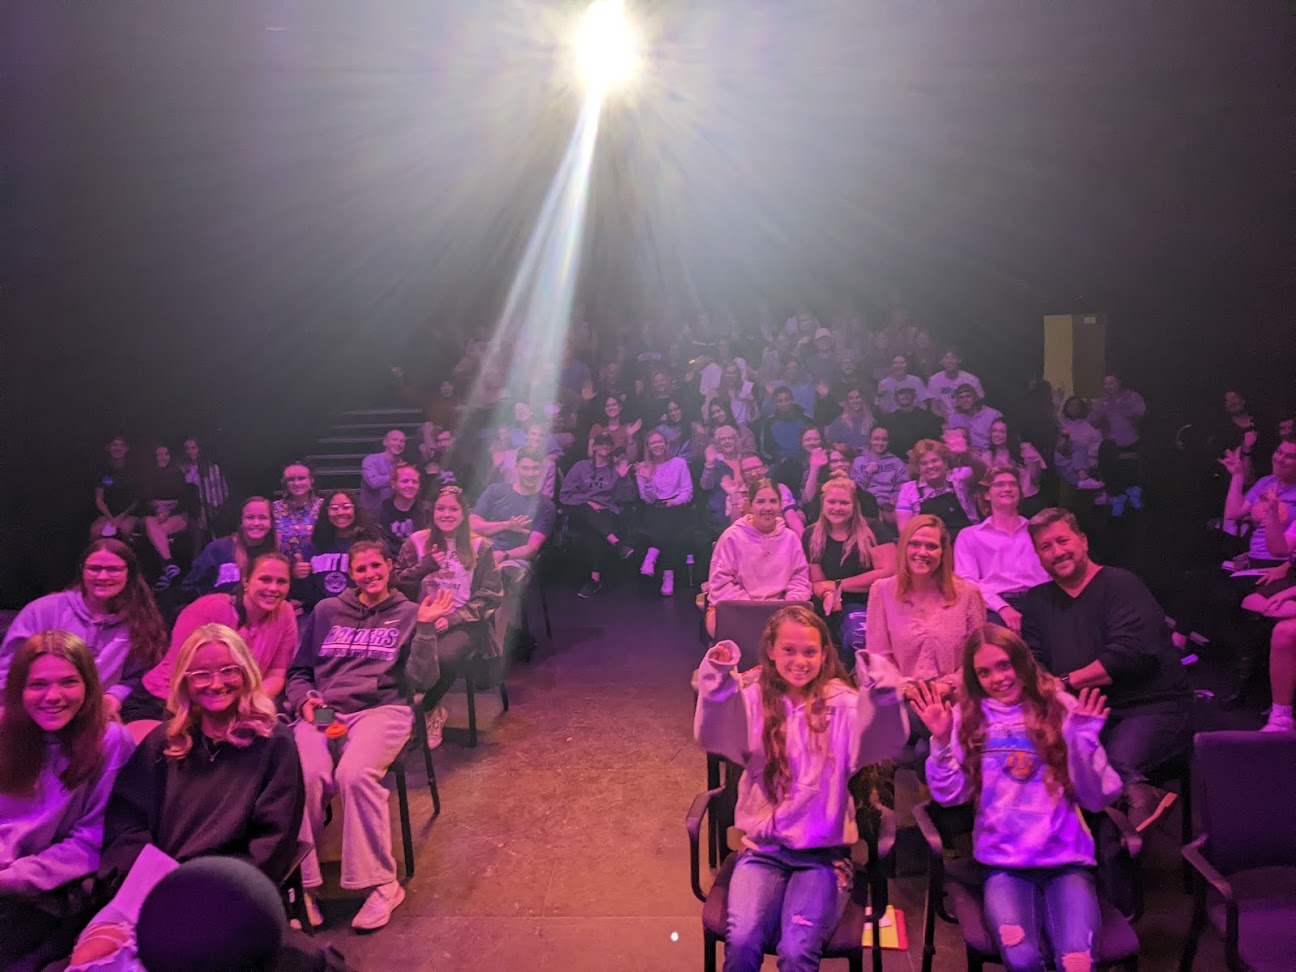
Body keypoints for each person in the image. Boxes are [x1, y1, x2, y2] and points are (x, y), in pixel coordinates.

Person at [68, 624, 305, 968]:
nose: (216, 683)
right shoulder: (164, 742)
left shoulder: (274, 743)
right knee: (92, 956)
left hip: (222, 889)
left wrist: (201, 890)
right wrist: (147, 877)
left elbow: (272, 840)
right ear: (185, 682)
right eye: (202, 675)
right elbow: (127, 822)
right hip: (150, 885)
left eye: (228, 670)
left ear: (246, 673)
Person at [693, 605, 909, 972]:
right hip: (763, 850)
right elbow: (714, 734)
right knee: (742, 941)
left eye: (809, 651)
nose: (799, 661)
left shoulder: (844, 705)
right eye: (789, 650)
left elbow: (884, 740)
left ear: (824, 654)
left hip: (823, 857)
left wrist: (884, 692)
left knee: (796, 951)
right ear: (771, 650)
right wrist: (717, 678)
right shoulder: (753, 699)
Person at [916, 625, 1122, 972]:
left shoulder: (1061, 707)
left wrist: (1084, 745)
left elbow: (1098, 798)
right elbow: (949, 796)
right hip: (1003, 865)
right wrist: (940, 743)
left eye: (1004, 665)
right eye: (984, 671)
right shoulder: (968, 718)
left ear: (1022, 663)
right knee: (1022, 959)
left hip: (1066, 861)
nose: (998, 678)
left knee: (1076, 963)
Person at [287, 542, 451, 931]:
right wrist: (304, 702)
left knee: (354, 775)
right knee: (305, 776)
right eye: (361, 569)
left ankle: (383, 884)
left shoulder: (411, 613)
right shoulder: (327, 611)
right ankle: (301, 885)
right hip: (326, 709)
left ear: (390, 567)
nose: (369, 574)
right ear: (350, 572)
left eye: (376, 566)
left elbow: (423, 681)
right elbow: (299, 673)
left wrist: (425, 628)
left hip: (383, 709)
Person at [1021, 508, 1193, 831]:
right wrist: (1053, 689)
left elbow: (1129, 654)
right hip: (1079, 712)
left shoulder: (1121, 584)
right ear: (1039, 557)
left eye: (1062, 540)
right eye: (1046, 547)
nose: (1057, 552)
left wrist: (1063, 683)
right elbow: (1033, 659)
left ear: (1083, 541)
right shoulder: (1037, 600)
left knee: (1108, 765)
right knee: (1033, 762)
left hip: (1150, 709)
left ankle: (1118, 854)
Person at [0, 632, 135, 970]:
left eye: (68, 682)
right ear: (19, 689)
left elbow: (91, 841)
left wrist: (13, 877)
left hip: (47, 893)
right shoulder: (6, 731)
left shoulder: (111, 741)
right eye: (38, 685)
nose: (53, 696)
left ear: (89, 685)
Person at [120, 552, 297, 737]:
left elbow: (276, 675)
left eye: (282, 582)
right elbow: (182, 675)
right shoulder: (209, 609)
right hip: (165, 700)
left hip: (226, 704)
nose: (273, 588)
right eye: (265, 579)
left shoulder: (285, 614)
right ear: (245, 581)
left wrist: (247, 705)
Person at [1, 538, 168, 716]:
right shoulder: (43, 610)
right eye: (94, 568)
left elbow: (139, 677)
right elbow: (8, 669)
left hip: (95, 716)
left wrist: (115, 697)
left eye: (113, 569)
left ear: (129, 573)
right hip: (40, 708)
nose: (103, 577)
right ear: (82, 570)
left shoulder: (141, 620)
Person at [393, 486, 504, 747]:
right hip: (419, 617)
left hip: (464, 620)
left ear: (464, 513)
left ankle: (424, 711)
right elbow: (397, 583)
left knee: (444, 656)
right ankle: (415, 710)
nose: (446, 514)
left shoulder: (481, 546)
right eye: (441, 508)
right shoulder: (416, 542)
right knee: (398, 652)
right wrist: (425, 567)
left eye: (453, 508)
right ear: (432, 512)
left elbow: (491, 595)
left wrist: (452, 618)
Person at [866, 514, 987, 695]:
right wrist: (906, 689)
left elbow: (978, 657)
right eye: (914, 544)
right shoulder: (881, 591)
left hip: (956, 697)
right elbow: (878, 658)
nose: (922, 552)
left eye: (931, 546)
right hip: (901, 699)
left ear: (943, 552)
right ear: (903, 547)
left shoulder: (969, 595)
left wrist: (947, 687)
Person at [470, 447, 558, 651]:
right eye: (526, 468)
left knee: (505, 575)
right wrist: (506, 525)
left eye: (535, 469)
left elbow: (532, 548)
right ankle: (470, 641)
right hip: (481, 553)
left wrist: (504, 555)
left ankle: (495, 648)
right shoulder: (495, 491)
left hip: (514, 559)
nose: (530, 473)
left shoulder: (545, 505)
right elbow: (473, 524)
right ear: (517, 468)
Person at [804, 472, 896, 666]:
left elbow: (888, 572)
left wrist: (838, 585)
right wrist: (830, 593)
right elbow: (818, 582)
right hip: (831, 604)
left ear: (854, 506)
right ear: (823, 503)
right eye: (832, 502)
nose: (837, 508)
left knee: (858, 635)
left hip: (872, 602)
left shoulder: (874, 530)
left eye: (844, 503)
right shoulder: (811, 534)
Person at [705, 479, 813, 637]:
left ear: (780, 504)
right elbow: (720, 585)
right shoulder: (731, 537)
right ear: (751, 505)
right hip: (737, 607)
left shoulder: (790, 538)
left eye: (773, 501)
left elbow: (799, 579)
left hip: (781, 609)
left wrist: (790, 604)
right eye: (761, 501)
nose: (767, 507)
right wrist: (754, 608)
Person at [954, 467, 1051, 633]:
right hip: (995, 603)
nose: (1007, 489)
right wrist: (1002, 607)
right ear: (986, 494)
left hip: (1041, 599)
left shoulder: (1037, 530)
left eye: (1013, 484)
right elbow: (967, 582)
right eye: (999, 484)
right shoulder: (970, 535)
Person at [560, 433, 637, 599]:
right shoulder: (580, 467)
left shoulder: (614, 470)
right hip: (581, 512)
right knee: (584, 509)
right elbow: (565, 494)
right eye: (601, 443)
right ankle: (617, 543)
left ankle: (595, 580)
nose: (605, 447)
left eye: (608, 444)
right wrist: (588, 502)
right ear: (594, 447)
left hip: (606, 512)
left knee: (594, 532)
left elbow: (629, 497)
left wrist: (624, 478)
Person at [295, 489, 379, 612]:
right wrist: (297, 575)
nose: (340, 512)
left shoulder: (371, 544)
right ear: (326, 512)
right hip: (322, 613)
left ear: (355, 510)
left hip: (362, 613)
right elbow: (305, 593)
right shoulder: (313, 547)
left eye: (346, 507)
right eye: (334, 508)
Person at [182, 496, 277, 601]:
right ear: (241, 522)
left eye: (263, 518)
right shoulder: (218, 549)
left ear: (271, 523)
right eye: (250, 517)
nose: (256, 523)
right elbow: (189, 588)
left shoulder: (276, 552)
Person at [893, 435, 987, 537]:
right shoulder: (908, 490)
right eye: (924, 463)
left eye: (934, 461)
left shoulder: (959, 478)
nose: (930, 466)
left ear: (945, 463)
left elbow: (981, 469)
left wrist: (967, 455)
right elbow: (904, 530)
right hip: (930, 546)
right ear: (918, 468)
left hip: (967, 540)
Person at [137, 444, 193, 590]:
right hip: (153, 515)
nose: (162, 458)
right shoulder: (147, 475)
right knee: (151, 525)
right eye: (159, 455)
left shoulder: (178, 474)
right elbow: (143, 500)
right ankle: (169, 563)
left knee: (158, 532)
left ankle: (164, 572)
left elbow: (185, 499)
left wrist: (169, 512)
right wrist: (156, 512)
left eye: (165, 454)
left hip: (176, 514)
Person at [978, 417, 1048, 515]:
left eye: (1002, 432)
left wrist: (1032, 460)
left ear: (1010, 434)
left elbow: (1036, 478)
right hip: (1002, 502)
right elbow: (986, 484)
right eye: (994, 431)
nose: (997, 434)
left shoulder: (1024, 449)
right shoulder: (987, 456)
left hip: (1028, 500)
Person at [851, 425, 910, 517]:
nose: (880, 443)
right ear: (870, 440)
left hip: (889, 507)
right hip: (864, 507)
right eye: (876, 439)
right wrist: (867, 472)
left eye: (884, 440)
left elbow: (903, 485)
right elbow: (853, 488)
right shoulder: (859, 461)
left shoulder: (896, 462)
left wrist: (894, 499)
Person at [178, 437, 231, 537]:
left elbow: (222, 490)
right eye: (187, 448)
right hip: (193, 510)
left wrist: (214, 508)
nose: (190, 451)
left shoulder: (212, 468)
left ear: (199, 449)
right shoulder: (182, 468)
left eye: (193, 448)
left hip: (212, 508)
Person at [91, 434, 140, 541]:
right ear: (108, 448)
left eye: (121, 445)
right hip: (108, 514)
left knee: (125, 530)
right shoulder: (102, 469)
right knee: (95, 531)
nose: (118, 448)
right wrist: (110, 517)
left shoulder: (134, 470)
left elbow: (136, 500)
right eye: (114, 445)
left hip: (129, 513)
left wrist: (120, 517)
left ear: (127, 449)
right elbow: (99, 499)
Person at [378, 462, 431, 557]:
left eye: (414, 482)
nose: (410, 485)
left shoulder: (427, 510)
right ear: (394, 485)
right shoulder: (380, 510)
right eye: (405, 481)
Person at [272, 461, 323, 561]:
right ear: (285, 483)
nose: (296, 483)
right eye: (291, 479)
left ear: (311, 480)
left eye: (301, 478)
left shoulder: (323, 507)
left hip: (317, 565)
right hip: (283, 566)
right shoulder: (274, 508)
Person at [881, 385, 943, 462]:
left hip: (922, 461)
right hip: (896, 462)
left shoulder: (928, 418)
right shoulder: (888, 420)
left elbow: (934, 443)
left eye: (908, 393)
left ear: (914, 396)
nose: (905, 396)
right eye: (901, 393)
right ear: (895, 398)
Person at [924, 347, 985, 420]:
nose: (950, 361)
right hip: (945, 420)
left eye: (953, 358)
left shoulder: (972, 379)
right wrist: (947, 418)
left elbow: (979, 404)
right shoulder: (934, 380)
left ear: (959, 360)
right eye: (946, 358)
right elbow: (934, 408)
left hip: (970, 418)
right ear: (941, 361)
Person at [754, 387, 814, 462]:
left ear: (792, 400)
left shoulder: (806, 420)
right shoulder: (769, 422)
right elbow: (765, 450)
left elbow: (815, 443)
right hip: (779, 464)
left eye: (787, 400)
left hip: (805, 462)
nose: (784, 404)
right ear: (775, 403)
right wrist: (779, 461)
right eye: (780, 401)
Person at [359, 430, 407, 516]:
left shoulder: (403, 465)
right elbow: (373, 482)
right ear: (385, 442)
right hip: (371, 514)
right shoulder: (371, 460)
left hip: (393, 514)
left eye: (402, 441)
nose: (399, 444)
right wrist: (398, 476)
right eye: (395, 440)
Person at [588, 394, 642, 461]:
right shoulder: (597, 427)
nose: (611, 408)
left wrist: (630, 436)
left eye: (614, 405)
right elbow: (590, 454)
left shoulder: (628, 428)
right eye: (608, 406)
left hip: (620, 468)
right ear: (604, 409)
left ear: (620, 407)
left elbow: (631, 458)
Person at [824, 386, 875, 452]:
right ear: (847, 401)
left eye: (858, 397)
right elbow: (831, 443)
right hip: (845, 458)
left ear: (863, 399)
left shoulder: (871, 420)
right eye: (851, 398)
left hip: (866, 458)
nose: (855, 401)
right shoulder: (839, 421)